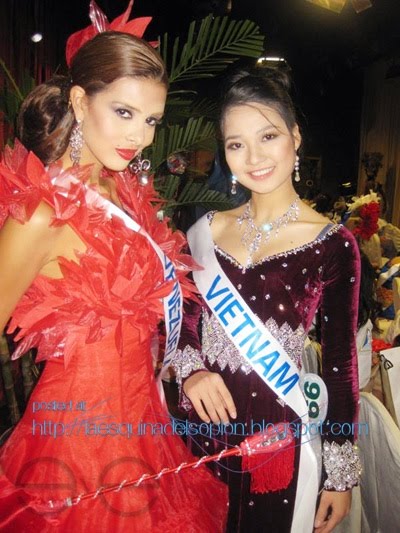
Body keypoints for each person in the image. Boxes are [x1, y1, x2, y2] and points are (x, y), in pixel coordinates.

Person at [0, 4, 227, 531]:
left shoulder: (123, 191)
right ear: (80, 102)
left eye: (151, 120)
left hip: (146, 423)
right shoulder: (41, 212)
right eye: (124, 112)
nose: (141, 137)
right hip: (76, 441)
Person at [172, 67, 361, 533]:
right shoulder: (204, 231)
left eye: (268, 136)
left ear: (295, 137)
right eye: (236, 144)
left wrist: (340, 475)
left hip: (275, 438)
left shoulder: (333, 244)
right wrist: (192, 371)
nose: (253, 157)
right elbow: (182, 324)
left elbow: (340, 367)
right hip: (200, 426)